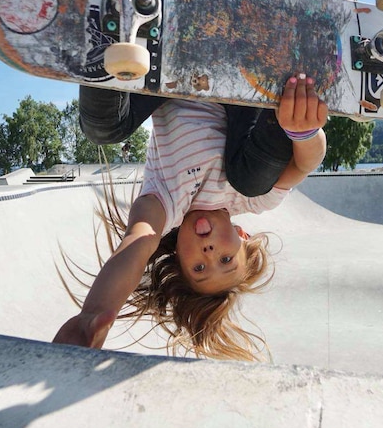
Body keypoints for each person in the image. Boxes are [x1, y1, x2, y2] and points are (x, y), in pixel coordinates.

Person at [53, 73, 327, 360]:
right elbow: (305, 164)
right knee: (251, 179)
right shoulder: (253, 201)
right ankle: (289, 104)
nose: (209, 252)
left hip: (168, 80)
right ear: (242, 236)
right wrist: (305, 134)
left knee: (103, 131)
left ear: (178, 254)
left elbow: (139, 243)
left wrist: (93, 314)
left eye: (198, 267)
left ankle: (107, 50)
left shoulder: (165, 203)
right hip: (244, 91)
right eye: (225, 260)